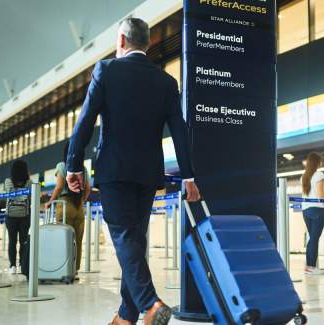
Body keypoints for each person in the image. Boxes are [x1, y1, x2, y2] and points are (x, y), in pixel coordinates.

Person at [65, 18, 200, 325]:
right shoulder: (165, 82)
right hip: (148, 174)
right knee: (134, 240)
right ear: (149, 43)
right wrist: (189, 176)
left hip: (114, 171)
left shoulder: (107, 71)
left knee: (125, 236)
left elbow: (84, 122)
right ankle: (127, 315)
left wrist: (74, 165)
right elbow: (180, 131)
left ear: (122, 42)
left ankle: (150, 304)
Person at [45, 142, 91, 273]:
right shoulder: (83, 169)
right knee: (78, 240)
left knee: (63, 240)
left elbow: (59, 186)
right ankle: (75, 269)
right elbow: (87, 188)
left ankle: (64, 268)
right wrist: (82, 200)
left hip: (65, 205)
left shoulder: (62, 166)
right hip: (79, 208)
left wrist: (50, 201)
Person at [301, 152, 324, 275]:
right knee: (314, 238)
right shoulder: (319, 174)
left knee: (312, 239)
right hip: (318, 209)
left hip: (306, 210)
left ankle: (309, 266)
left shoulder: (304, 176)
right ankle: (311, 266)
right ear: (318, 163)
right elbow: (321, 195)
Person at [4, 160, 32, 274]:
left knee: (12, 241)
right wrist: (23, 194)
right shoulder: (29, 182)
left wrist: (18, 194)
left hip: (10, 216)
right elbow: (25, 195)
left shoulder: (8, 181)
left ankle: (12, 266)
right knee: (23, 241)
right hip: (24, 215)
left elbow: (12, 194)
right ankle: (21, 264)